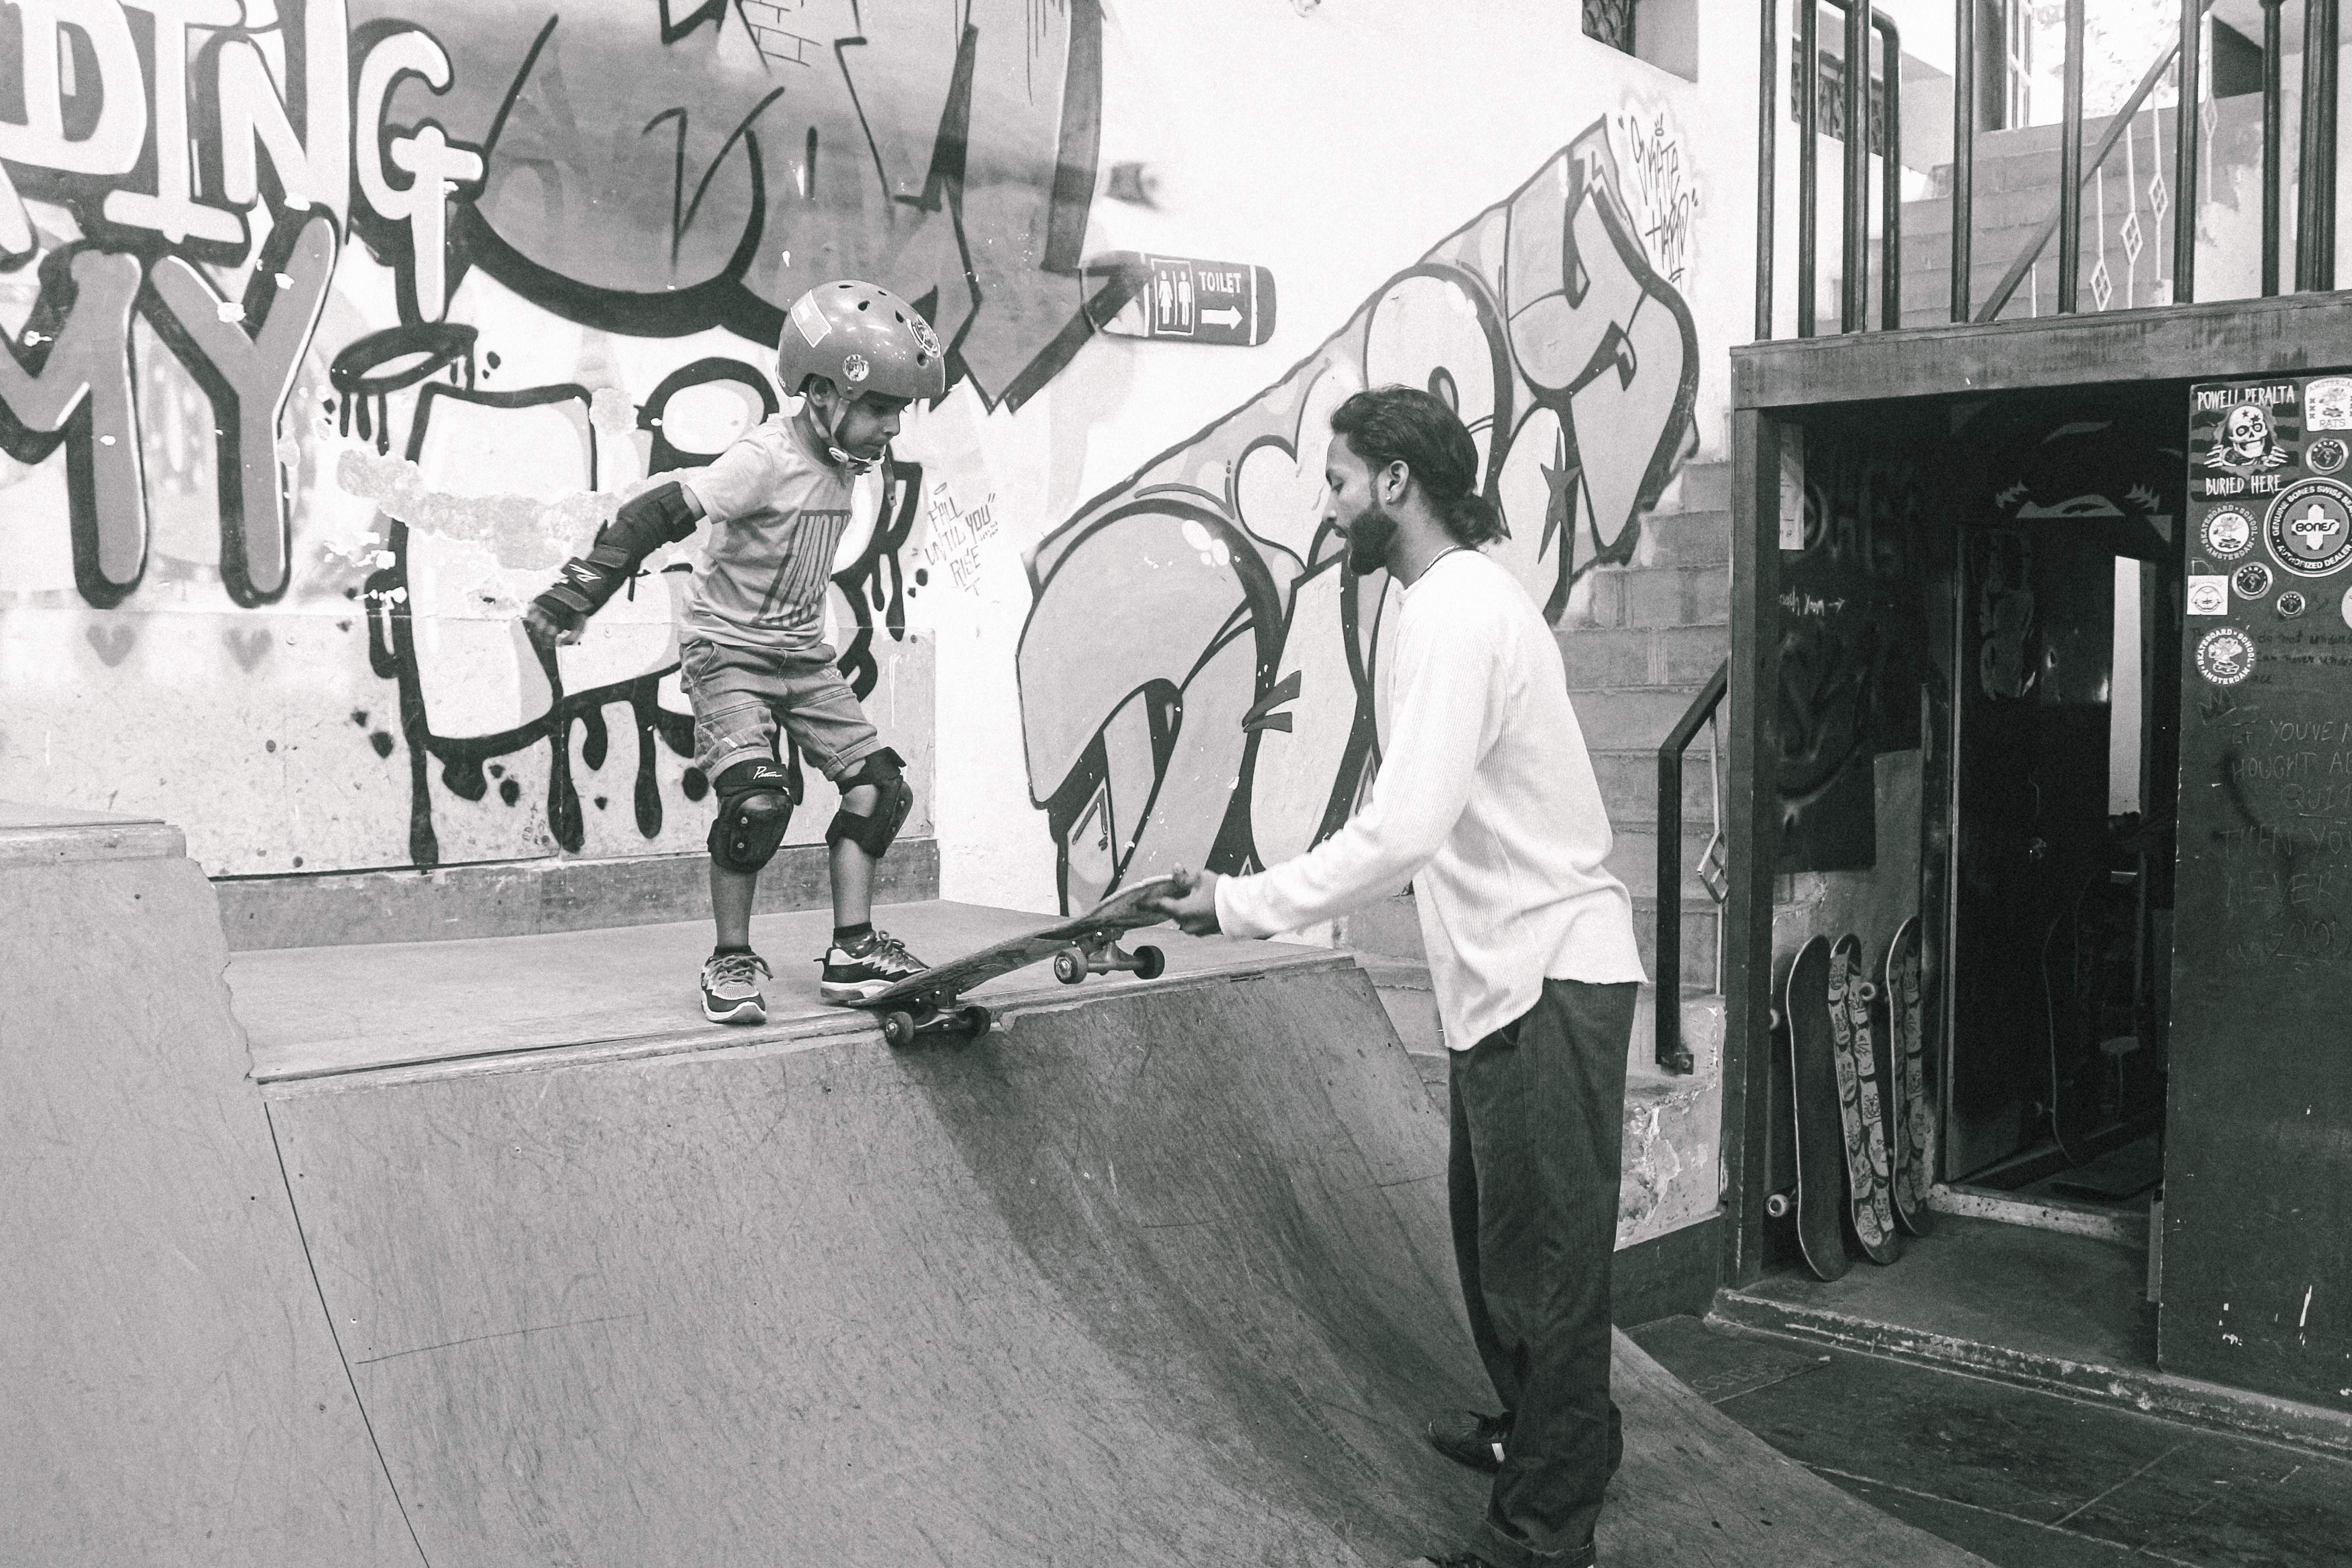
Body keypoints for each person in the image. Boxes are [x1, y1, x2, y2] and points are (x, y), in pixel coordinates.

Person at [1152, 385, 1644, 1568]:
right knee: (1497, 1248)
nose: (1326, 507)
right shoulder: (1442, 602)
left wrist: (1241, 904)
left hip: (1550, 978)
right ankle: (1545, 1437)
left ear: (1394, 482)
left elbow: (1403, 827)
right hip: (1508, 982)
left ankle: (1540, 1534)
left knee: (1546, 1270)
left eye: (1335, 481)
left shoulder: (1457, 610)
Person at [524, 280, 943, 1025]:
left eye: (897, 412)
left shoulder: (843, 460)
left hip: (803, 658)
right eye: (880, 408)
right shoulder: (764, 459)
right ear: (822, 396)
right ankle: (731, 957)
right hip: (728, 656)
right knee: (758, 802)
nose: (890, 428)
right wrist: (577, 593)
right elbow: (658, 509)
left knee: (880, 790)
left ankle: (853, 949)